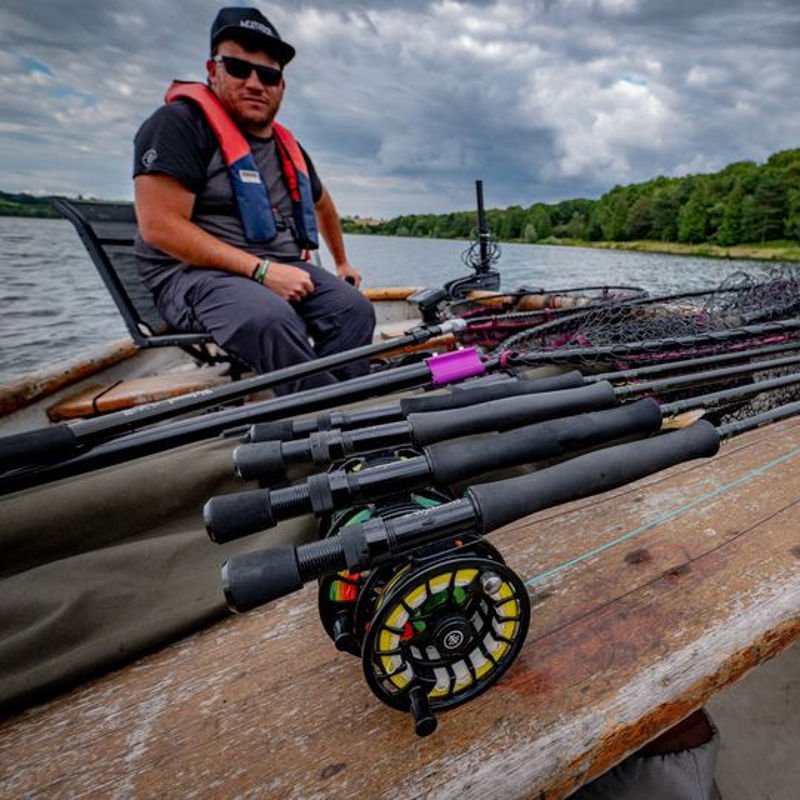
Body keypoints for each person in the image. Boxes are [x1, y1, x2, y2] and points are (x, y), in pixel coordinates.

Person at [133, 7, 375, 394]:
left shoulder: (287, 145)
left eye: (268, 74)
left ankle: (338, 407)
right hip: (193, 277)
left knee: (353, 309)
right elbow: (159, 226)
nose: (254, 83)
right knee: (269, 318)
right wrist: (262, 272)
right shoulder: (177, 125)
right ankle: (329, 416)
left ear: (281, 85)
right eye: (238, 68)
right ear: (212, 70)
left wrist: (342, 260)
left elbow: (323, 203)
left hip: (276, 267)